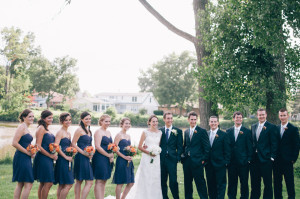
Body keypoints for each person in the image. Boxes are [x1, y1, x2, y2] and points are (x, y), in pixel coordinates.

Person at [126, 115, 163, 199]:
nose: (155, 123)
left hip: (156, 158)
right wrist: (149, 152)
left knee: (155, 177)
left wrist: (157, 151)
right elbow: (139, 146)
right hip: (147, 157)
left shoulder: (160, 133)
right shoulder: (145, 132)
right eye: (153, 121)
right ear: (149, 122)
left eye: (156, 121)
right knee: (146, 176)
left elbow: (159, 145)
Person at [250, 108, 278, 199]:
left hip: (266, 160)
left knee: (267, 184)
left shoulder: (271, 127)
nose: (261, 116)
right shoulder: (253, 126)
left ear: (266, 115)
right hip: (255, 160)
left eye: (263, 114)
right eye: (259, 115)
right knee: (254, 184)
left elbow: (274, 143)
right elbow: (253, 142)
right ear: (257, 115)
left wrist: (272, 157)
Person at [182, 111, 210, 199]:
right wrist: (183, 156)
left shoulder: (202, 131)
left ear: (196, 120)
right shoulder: (186, 132)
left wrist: (203, 159)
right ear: (188, 120)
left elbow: (207, 147)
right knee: (187, 184)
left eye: (194, 119)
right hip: (187, 162)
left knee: (200, 184)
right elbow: (185, 145)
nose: (193, 121)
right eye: (191, 119)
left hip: (197, 162)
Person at [273, 108, 299, 199]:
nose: (282, 117)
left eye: (284, 115)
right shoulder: (275, 128)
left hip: (288, 161)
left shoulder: (293, 129)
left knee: (289, 183)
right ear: (279, 116)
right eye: (281, 115)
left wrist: (293, 159)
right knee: (277, 183)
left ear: (287, 116)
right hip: (276, 161)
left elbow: (296, 145)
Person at [226, 111, 253, 199]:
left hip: (243, 163)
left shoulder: (247, 131)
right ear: (233, 119)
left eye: (240, 118)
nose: (238, 119)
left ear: (242, 119)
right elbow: (227, 147)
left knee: (244, 182)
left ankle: (244, 197)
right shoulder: (228, 131)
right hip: (231, 163)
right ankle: (231, 197)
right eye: (237, 118)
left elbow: (250, 147)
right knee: (232, 182)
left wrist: (248, 159)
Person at [33, 110, 57, 199]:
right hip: (43, 158)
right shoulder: (41, 128)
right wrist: (50, 155)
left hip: (48, 158)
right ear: (43, 118)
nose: (51, 119)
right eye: (49, 118)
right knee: (48, 182)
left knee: (43, 182)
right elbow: (38, 146)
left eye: (52, 117)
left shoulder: (47, 128)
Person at [205, 116, 230, 199]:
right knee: (211, 185)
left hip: (220, 165)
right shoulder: (206, 134)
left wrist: (225, 162)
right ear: (209, 123)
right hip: (209, 165)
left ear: (218, 123)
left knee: (221, 185)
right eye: (211, 122)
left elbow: (227, 150)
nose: (213, 123)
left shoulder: (224, 134)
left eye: (215, 121)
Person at [12, 109, 35, 199]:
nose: (32, 118)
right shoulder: (22, 127)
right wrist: (27, 153)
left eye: (33, 116)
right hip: (21, 157)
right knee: (28, 183)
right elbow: (14, 143)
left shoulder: (26, 127)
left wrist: (32, 151)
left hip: (25, 157)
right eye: (29, 116)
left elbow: (24, 143)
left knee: (21, 183)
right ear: (24, 117)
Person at [159, 112, 183, 199]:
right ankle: (164, 197)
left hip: (172, 160)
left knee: (173, 181)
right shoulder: (159, 131)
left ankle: (176, 197)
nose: (169, 120)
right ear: (164, 119)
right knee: (162, 181)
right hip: (161, 160)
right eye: (168, 118)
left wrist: (177, 157)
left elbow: (180, 146)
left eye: (171, 118)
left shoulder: (178, 131)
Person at [72, 112, 94, 199]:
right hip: (81, 157)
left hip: (88, 156)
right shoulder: (79, 130)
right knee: (83, 180)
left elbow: (90, 144)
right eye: (86, 119)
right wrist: (83, 153)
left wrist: (91, 153)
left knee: (84, 180)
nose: (89, 120)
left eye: (89, 118)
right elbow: (73, 143)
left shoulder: (89, 130)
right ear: (82, 120)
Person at [112, 118, 134, 199]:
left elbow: (129, 148)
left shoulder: (128, 136)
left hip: (129, 160)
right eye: (126, 123)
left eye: (129, 123)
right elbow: (115, 149)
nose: (128, 125)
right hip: (121, 160)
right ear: (122, 124)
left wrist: (131, 153)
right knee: (120, 182)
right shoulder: (118, 135)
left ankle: (123, 198)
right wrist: (124, 157)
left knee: (131, 182)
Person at [92, 114, 114, 199]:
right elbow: (97, 146)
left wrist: (111, 156)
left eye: (109, 121)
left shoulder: (108, 132)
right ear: (101, 122)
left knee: (104, 180)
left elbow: (110, 145)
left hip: (108, 158)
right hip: (100, 158)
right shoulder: (98, 132)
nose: (108, 123)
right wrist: (108, 155)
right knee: (99, 180)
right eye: (106, 121)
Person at [54, 113, 74, 199]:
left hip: (68, 159)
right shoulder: (60, 132)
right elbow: (56, 147)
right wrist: (66, 157)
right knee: (69, 183)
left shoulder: (68, 133)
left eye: (69, 120)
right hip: (63, 160)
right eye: (66, 120)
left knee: (62, 184)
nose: (68, 122)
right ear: (62, 121)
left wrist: (72, 152)